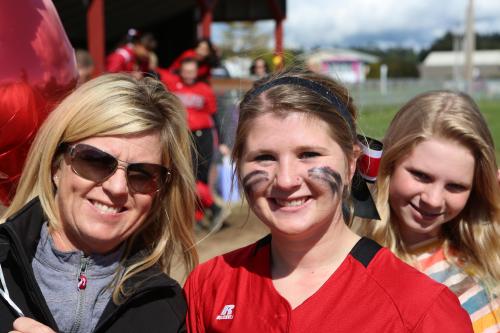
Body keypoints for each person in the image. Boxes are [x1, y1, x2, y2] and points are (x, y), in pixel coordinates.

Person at [183, 69, 473, 332]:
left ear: (350, 163)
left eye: (309, 154)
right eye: (264, 157)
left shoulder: (422, 311)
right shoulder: (209, 286)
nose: (285, 179)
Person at [0, 73, 197, 332]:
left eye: (142, 174)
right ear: (55, 165)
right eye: (95, 160)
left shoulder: (167, 308)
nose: (117, 188)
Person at [356, 90, 500, 333]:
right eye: (421, 176)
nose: (433, 200)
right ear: (390, 164)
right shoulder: (346, 257)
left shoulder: (487, 259)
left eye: (456, 186)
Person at [168, 57, 229, 232]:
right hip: (183, 136)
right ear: (181, 71)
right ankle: (213, 209)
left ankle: (199, 216)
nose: (189, 74)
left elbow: (215, 117)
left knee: (199, 178)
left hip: (203, 137)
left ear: (197, 72)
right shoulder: (172, 85)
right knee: (186, 177)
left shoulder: (204, 89)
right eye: (186, 71)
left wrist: (223, 142)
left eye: (192, 71)